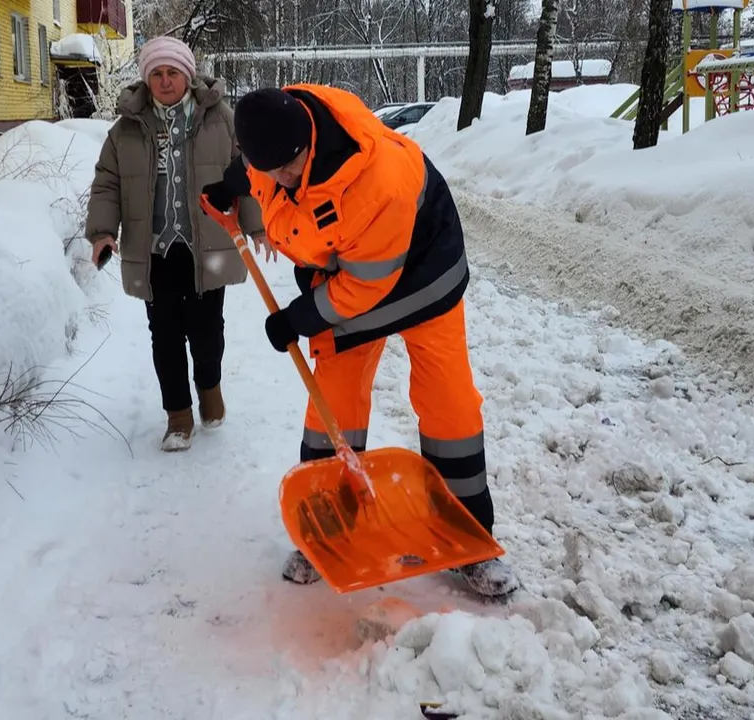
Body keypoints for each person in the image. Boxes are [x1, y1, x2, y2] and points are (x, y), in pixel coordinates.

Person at [200, 84, 519, 598]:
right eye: (268, 168)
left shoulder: (377, 185)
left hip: (421, 272)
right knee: (333, 399)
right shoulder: (278, 137)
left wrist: (298, 318)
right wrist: (231, 185)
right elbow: (262, 173)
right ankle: (325, 528)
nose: (279, 178)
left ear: (308, 140)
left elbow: (364, 288)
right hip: (347, 271)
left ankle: (472, 538)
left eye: (288, 167)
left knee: (448, 404)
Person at [84, 36, 272, 452]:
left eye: (172, 73)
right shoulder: (126, 129)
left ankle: (210, 387)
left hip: (209, 243)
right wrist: (101, 232)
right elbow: (107, 183)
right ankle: (178, 417)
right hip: (155, 249)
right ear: (146, 79)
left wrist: (257, 225)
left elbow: (249, 173)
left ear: (187, 76)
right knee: (164, 334)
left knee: (207, 332)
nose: (165, 81)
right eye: (156, 74)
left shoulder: (221, 118)